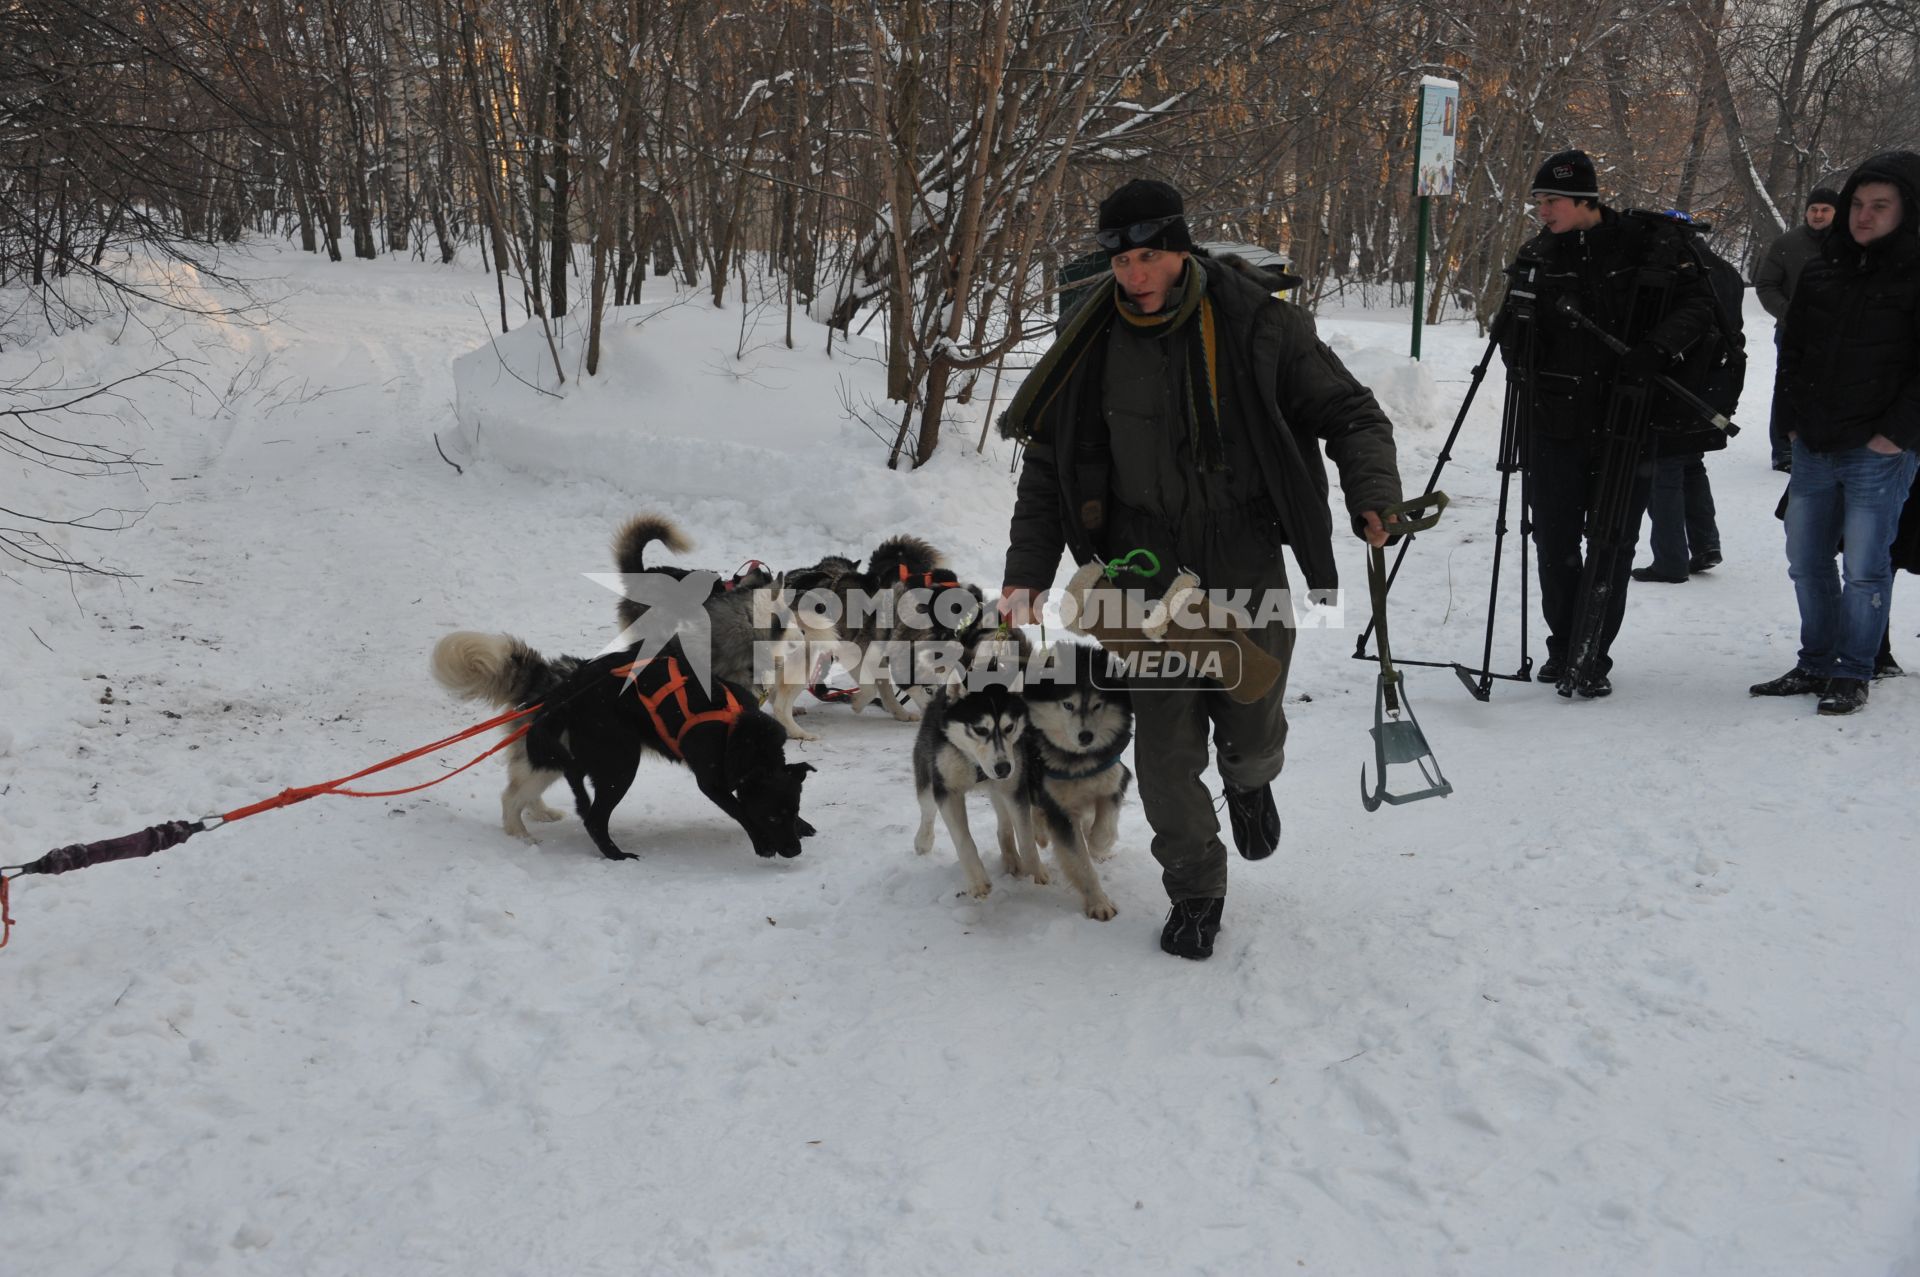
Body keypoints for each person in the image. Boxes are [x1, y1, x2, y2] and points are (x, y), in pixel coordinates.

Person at [996, 179, 1402, 961]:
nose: (1135, 276)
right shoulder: (1086, 344)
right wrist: (1028, 569)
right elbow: (1048, 463)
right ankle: (1196, 886)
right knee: (1163, 751)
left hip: (1242, 553)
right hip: (1140, 571)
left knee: (1249, 716)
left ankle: (1250, 780)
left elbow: (1350, 413)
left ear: (1180, 250)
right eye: (1122, 261)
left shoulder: (1260, 326)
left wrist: (1372, 494)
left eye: (1150, 257)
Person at [1498, 150, 1717, 696]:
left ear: (1586, 201)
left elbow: (1698, 308)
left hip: (1628, 420)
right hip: (1554, 422)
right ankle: (1563, 646)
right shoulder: (1537, 257)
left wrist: (1656, 350)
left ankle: (1593, 651)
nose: (1543, 211)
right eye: (1539, 201)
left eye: (1552, 201)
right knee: (1554, 539)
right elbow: (1510, 341)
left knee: (1613, 541)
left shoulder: (1648, 246)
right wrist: (1518, 333)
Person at [1751, 151, 1920, 716]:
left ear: (1907, 211)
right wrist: (1791, 426)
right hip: (1815, 446)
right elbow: (1793, 353)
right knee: (1806, 558)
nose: (1863, 216)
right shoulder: (1823, 270)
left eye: (1880, 206)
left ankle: (1853, 670)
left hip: (1879, 452)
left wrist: (1895, 435)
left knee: (1867, 566)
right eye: (1858, 205)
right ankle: (1816, 660)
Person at [1754, 188, 1841, 471]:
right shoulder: (1787, 243)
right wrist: (1789, 313)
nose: (1818, 215)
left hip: (1838, 333)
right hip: (1793, 332)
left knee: (1834, 387)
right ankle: (1783, 450)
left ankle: (1827, 443)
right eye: (1814, 209)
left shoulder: (1849, 244)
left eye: (1825, 210)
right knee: (1788, 387)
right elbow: (1766, 285)